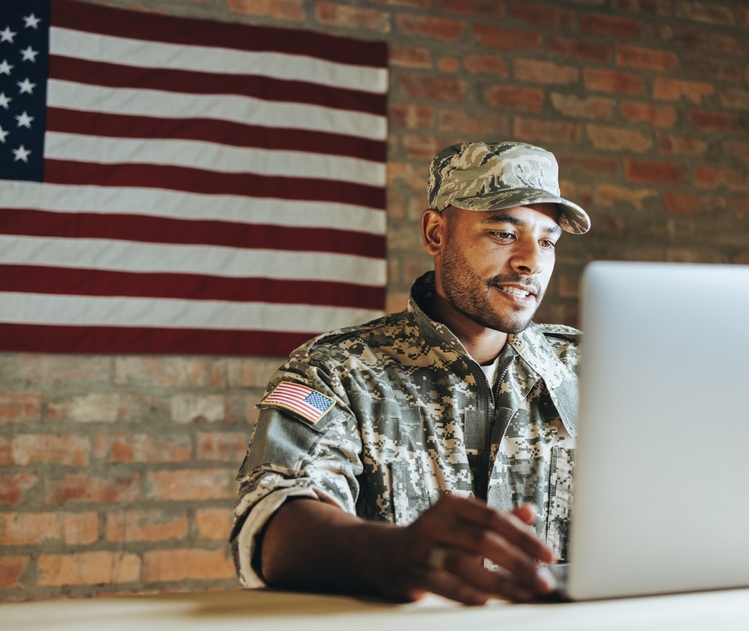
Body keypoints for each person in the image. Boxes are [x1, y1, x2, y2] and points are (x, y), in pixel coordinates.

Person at [230, 141, 591, 605]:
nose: (531, 262)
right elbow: (274, 526)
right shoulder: (339, 372)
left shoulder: (593, 370)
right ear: (436, 233)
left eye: (547, 241)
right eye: (503, 233)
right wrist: (390, 553)